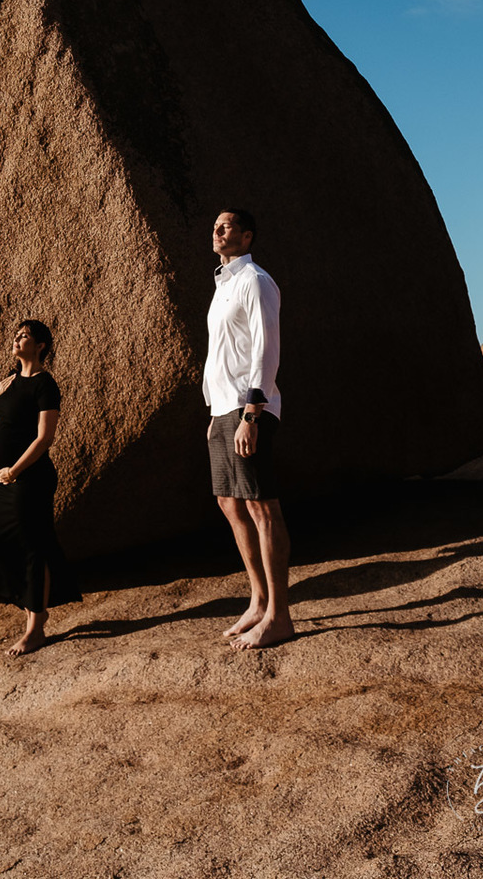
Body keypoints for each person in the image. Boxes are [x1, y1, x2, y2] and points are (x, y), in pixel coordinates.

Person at [204, 209, 295, 649]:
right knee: (229, 503)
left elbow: (266, 347)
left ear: (246, 235)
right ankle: (258, 601)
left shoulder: (255, 280)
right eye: (215, 226)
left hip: (248, 408)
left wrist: (251, 413)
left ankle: (280, 616)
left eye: (226, 226)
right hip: (222, 410)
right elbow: (221, 354)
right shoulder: (222, 285)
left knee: (262, 507)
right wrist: (213, 413)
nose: (218, 231)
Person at [0, 318, 81, 656]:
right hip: (4, 481)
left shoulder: (46, 385)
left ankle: (36, 628)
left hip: (29, 478)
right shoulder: (10, 382)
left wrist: (15, 470)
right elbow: (3, 414)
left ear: (41, 346)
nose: (17, 339)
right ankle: (35, 605)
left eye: (25, 336)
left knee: (34, 548)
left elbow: (44, 437)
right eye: (16, 335)